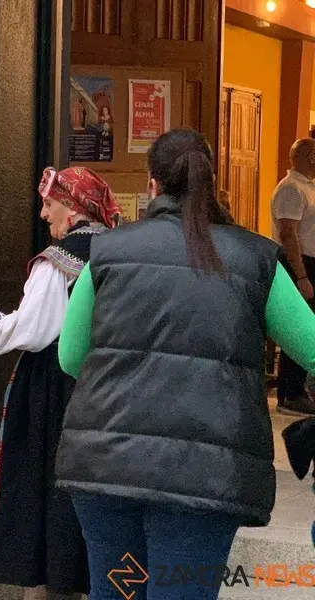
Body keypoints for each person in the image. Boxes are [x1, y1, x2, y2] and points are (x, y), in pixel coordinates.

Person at [55, 129, 315, 600]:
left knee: (118, 593)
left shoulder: (108, 252)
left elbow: (71, 356)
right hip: (204, 480)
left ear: (151, 185)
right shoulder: (255, 259)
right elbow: (313, 349)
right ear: (212, 184)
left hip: (107, 471)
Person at [0, 167, 120, 600]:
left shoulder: (59, 260)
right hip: (107, 383)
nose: (42, 214)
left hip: (56, 386)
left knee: (48, 480)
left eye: (49, 204)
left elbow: (33, 330)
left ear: (71, 208)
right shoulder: (117, 252)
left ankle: (54, 577)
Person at [271, 138, 315, 415]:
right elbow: (288, 233)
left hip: (310, 262)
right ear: (310, 156)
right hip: (300, 264)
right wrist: (301, 276)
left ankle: (301, 388)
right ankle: (291, 393)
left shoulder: (307, 187)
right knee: (297, 324)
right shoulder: (291, 188)